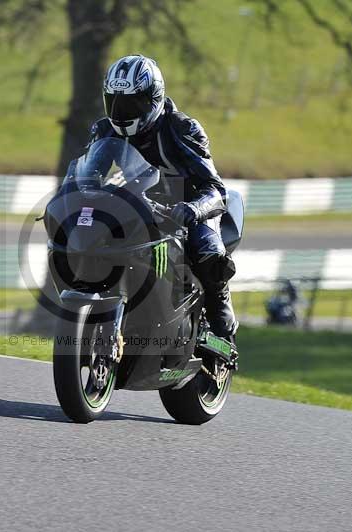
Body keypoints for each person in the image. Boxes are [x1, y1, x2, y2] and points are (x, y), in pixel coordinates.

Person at [88, 54, 239, 347]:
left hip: (189, 206)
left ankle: (220, 308)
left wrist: (193, 209)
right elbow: (88, 174)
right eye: (115, 102)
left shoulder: (183, 128)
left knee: (207, 251)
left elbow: (215, 188)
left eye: (131, 103)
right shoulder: (104, 130)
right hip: (139, 202)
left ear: (153, 99)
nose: (121, 111)